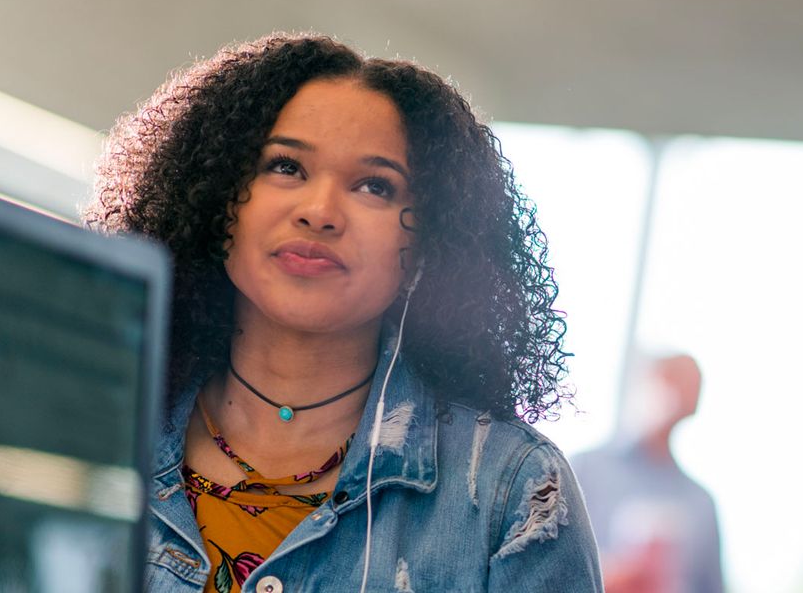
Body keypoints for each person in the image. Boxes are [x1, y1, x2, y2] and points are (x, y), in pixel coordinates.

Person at [84, 32, 602, 592]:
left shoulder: (513, 490)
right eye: (285, 167)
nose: (320, 212)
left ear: (434, 240)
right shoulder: (85, 429)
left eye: (375, 186)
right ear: (211, 193)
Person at [571, 354, 725, 593]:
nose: (673, 398)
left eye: (686, 389)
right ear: (641, 385)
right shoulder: (584, 469)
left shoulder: (701, 503)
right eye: (668, 381)